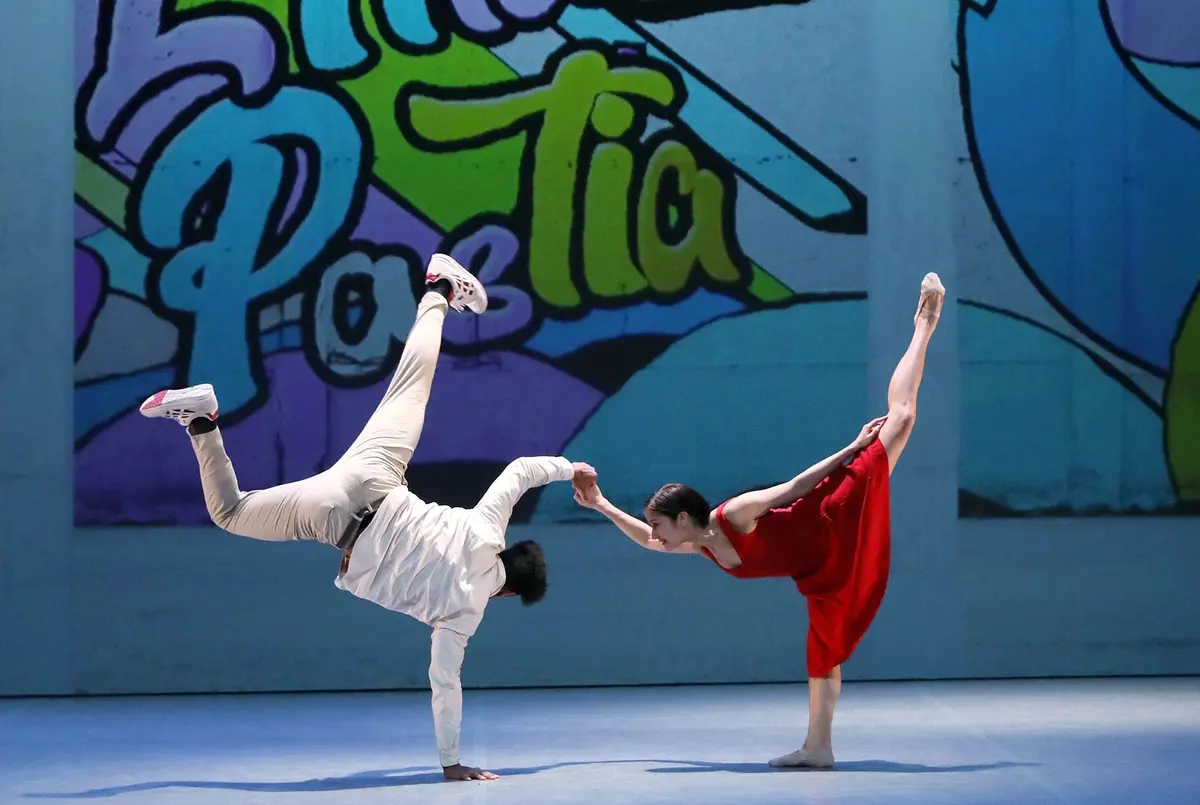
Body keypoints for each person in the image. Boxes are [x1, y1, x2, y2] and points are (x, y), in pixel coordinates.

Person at [139, 254, 597, 782]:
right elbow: (444, 684)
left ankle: (439, 289)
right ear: (509, 593)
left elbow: (520, 471)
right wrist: (450, 762)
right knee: (231, 512)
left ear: (511, 553)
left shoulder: (487, 529)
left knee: (412, 382)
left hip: (378, 473)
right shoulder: (465, 614)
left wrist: (572, 469)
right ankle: (201, 420)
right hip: (334, 517)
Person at [574, 272, 946, 769]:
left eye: (660, 524)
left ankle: (924, 324)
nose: (657, 534)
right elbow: (646, 540)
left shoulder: (733, 514)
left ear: (682, 518)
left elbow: (795, 487)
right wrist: (601, 504)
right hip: (820, 573)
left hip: (833, 512)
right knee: (823, 653)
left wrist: (853, 448)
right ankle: (818, 748)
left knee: (900, 418)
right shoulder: (702, 544)